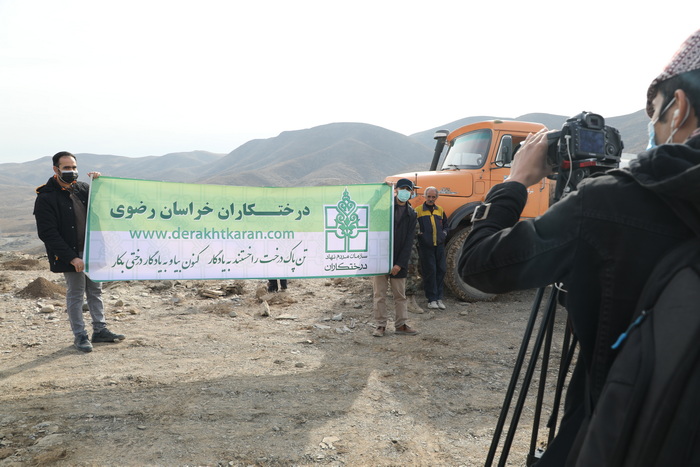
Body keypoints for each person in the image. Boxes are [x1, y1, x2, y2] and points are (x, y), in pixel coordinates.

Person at [459, 30, 700, 465]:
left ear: (679, 107)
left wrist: (514, 183)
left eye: (655, 113)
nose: (653, 127)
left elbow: (478, 264)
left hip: (616, 434)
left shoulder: (611, 204)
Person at [34, 151, 125, 353]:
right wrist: (71, 257)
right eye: (66, 168)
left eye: (74, 167)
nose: (72, 171)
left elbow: (103, 207)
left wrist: (100, 184)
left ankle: (100, 330)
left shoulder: (83, 189)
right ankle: (80, 335)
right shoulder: (46, 197)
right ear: (56, 169)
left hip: (93, 250)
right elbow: (48, 233)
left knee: (95, 291)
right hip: (71, 254)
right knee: (76, 294)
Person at [372, 178, 419, 337]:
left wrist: (399, 264)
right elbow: (369, 209)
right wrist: (381, 192)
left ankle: (401, 325)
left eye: (408, 189)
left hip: (399, 261)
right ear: (396, 190)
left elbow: (409, 241)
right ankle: (380, 326)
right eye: (402, 188)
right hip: (380, 258)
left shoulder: (411, 214)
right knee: (379, 295)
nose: (405, 192)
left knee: (400, 295)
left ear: (411, 192)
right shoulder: (386, 208)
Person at [415, 186, 448, 310]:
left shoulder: (440, 210)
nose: (431, 199)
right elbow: (414, 227)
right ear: (425, 196)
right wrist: (421, 237)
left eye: (433, 197)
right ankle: (431, 299)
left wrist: (444, 234)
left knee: (441, 270)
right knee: (430, 272)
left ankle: (439, 298)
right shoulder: (418, 210)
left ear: (436, 197)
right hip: (426, 247)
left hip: (439, 246)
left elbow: (446, 225)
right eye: (429, 196)